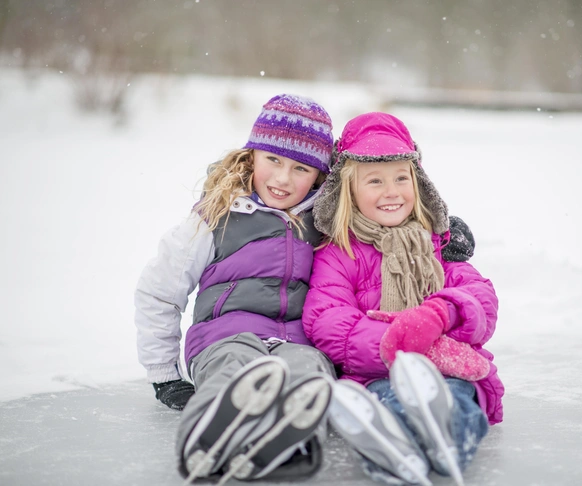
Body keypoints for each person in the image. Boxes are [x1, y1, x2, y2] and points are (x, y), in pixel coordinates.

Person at [134, 94, 338, 485]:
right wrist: (163, 373)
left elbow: (386, 218)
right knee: (232, 371)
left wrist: (440, 235)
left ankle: (290, 445)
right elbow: (159, 290)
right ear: (252, 155)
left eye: (300, 168)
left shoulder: (329, 220)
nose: (282, 178)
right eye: (273, 160)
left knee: (309, 373)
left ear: (320, 176)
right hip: (224, 336)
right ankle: (207, 435)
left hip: (299, 342)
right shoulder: (217, 215)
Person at [302, 112, 504, 486]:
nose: (391, 191)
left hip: (451, 369)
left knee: (460, 399)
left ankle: (448, 441)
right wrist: (395, 344)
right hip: (379, 372)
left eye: (401, 178)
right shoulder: (339, 252)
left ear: (418, 182)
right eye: (375, 181)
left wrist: (441, 315)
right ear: (349, 189)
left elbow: (479, 297)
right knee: (391, 402)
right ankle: (392, 449)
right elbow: (327, 319)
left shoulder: (437, 244)